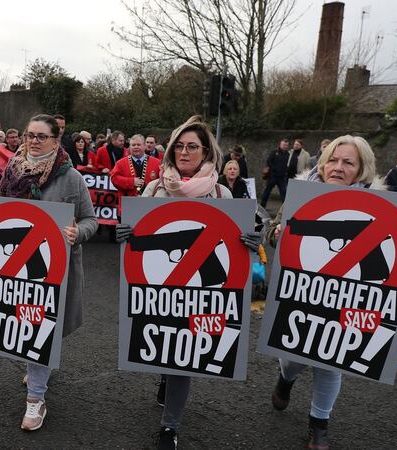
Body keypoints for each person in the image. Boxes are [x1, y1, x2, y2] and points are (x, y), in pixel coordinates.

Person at [0, 114, 97, 431]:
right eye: (29, 135)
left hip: (55, 270)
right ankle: (38, 362)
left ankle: (36, 400)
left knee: (42, 325)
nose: (34, 141)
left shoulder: (72, 179)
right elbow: (1, 216)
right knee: (25, 323)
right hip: (17, 269)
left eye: (42, 136)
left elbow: (91, 220)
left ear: (55, 140)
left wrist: (78, 233)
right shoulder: (12, 170)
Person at [265, 135, 397, 449]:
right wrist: (279, 233)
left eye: (348, 162)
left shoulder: (382, 206)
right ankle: (286, 380)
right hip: (302, 291)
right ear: (322, 164)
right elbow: (272, 230)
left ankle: (319, 422)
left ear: (361, 169)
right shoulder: (301, 194)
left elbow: (396, 249)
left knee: (331, 361)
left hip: (349, 295)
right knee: (294, 356)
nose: (338, 168)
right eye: (332, 160)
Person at [117, 116, 231, 449]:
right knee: (165, 339)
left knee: (186, 351)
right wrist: (128, 232)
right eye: (178, 146)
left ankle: (170, 426)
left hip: (200, 290)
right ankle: (166, 375)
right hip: (161, 285)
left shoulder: (221, 192)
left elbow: (230, 243)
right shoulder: (154, 187)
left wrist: (247, 241)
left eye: (192, 146)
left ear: (206, 150)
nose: (184, 152)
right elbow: (143, 232)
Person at [110, 134, 161, 212]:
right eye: (133, 145)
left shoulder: (157, 163)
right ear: (129, 147)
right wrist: (131, 182)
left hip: (150, 207)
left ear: (144, 146)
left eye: (138, 145)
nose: (136, 147)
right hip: (127, 207)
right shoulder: (120, 163)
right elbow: (114, 178)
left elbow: (162, 182)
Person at [260, 139, 291, 207]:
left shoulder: (288, 154)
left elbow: (288, 165)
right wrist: (274, 170)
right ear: (280, 144)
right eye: (284, 145)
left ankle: (285, 208)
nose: (285, 146)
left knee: (283, 193)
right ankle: (262, 206)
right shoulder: (274, 152)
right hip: (272, 176)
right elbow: (268, 161)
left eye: (287, 145)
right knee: (267, 192)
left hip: (282, 178)